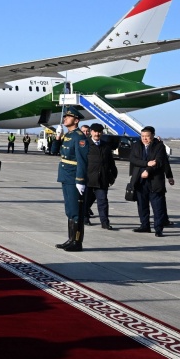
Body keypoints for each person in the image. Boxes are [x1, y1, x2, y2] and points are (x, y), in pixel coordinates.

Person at [128, 126, 172, 237]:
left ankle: (158, 229)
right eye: (142, 136)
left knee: (158, 206)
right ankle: (145, 225)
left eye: (147, 136)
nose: (144, 138)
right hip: (140, 180)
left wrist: (149, 171)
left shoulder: (159, 146)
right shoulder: (136, 145)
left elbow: (159, 162)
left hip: (155, 181)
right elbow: (133, 159)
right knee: (142, 205)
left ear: (152, 136)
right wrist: (146, 164)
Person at [56, 108, 89, 252]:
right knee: (69, 210)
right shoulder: (68, 135)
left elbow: (82, 160)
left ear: (76, 120)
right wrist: (57, 137)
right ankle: (70, 240)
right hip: (65, 175)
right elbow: (54, 151)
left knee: (76, 211)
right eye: (65, 117)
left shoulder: (79, 137)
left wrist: (80, 180)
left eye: (68, 117)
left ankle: (77, 242)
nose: (65, 119)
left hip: (74, 177)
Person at [86, 123, 117, 230]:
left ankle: (105, 223)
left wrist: (113, 176)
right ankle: (85, 218)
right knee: (86, 201)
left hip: (102, 179)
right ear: (91, 132)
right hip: (88, 178)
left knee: (103, 201)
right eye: (95, 131)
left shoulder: (106, 146)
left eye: (99, 132)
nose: (97, 134)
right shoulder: (85, 144)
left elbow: (111, 162)